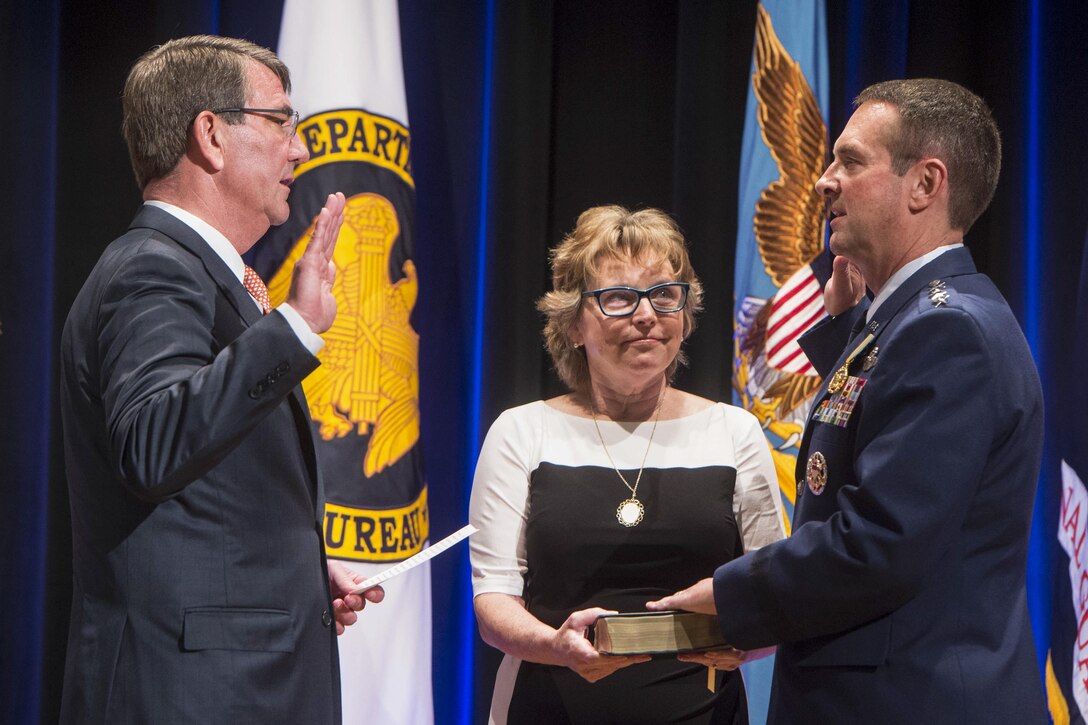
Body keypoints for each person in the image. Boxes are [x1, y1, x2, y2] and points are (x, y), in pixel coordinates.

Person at [649, 79, 1047, 723]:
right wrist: (848, 332)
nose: (822, 181)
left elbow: (878, 543)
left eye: (851, 161)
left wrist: (727, 595)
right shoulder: (914, 321)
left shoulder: (949, 332)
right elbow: (868, 443)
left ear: (925, 184)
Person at [59, 35, 384, 723]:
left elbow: (207, 490)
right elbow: (153, 440)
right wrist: (295, 326)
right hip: (194, 696)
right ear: (210, 133)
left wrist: (292, 576)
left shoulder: (209, 277)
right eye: (281, 123)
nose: (299, 150)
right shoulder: (154, 267)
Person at [469, 205, 785, 724]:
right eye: (619, 298)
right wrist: (555, 644)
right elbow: (493, 605)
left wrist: (749, 645)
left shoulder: (735, 433)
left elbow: (773, 592)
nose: (646, 315)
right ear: (573, 323)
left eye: (664, 294)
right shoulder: (521, 432)